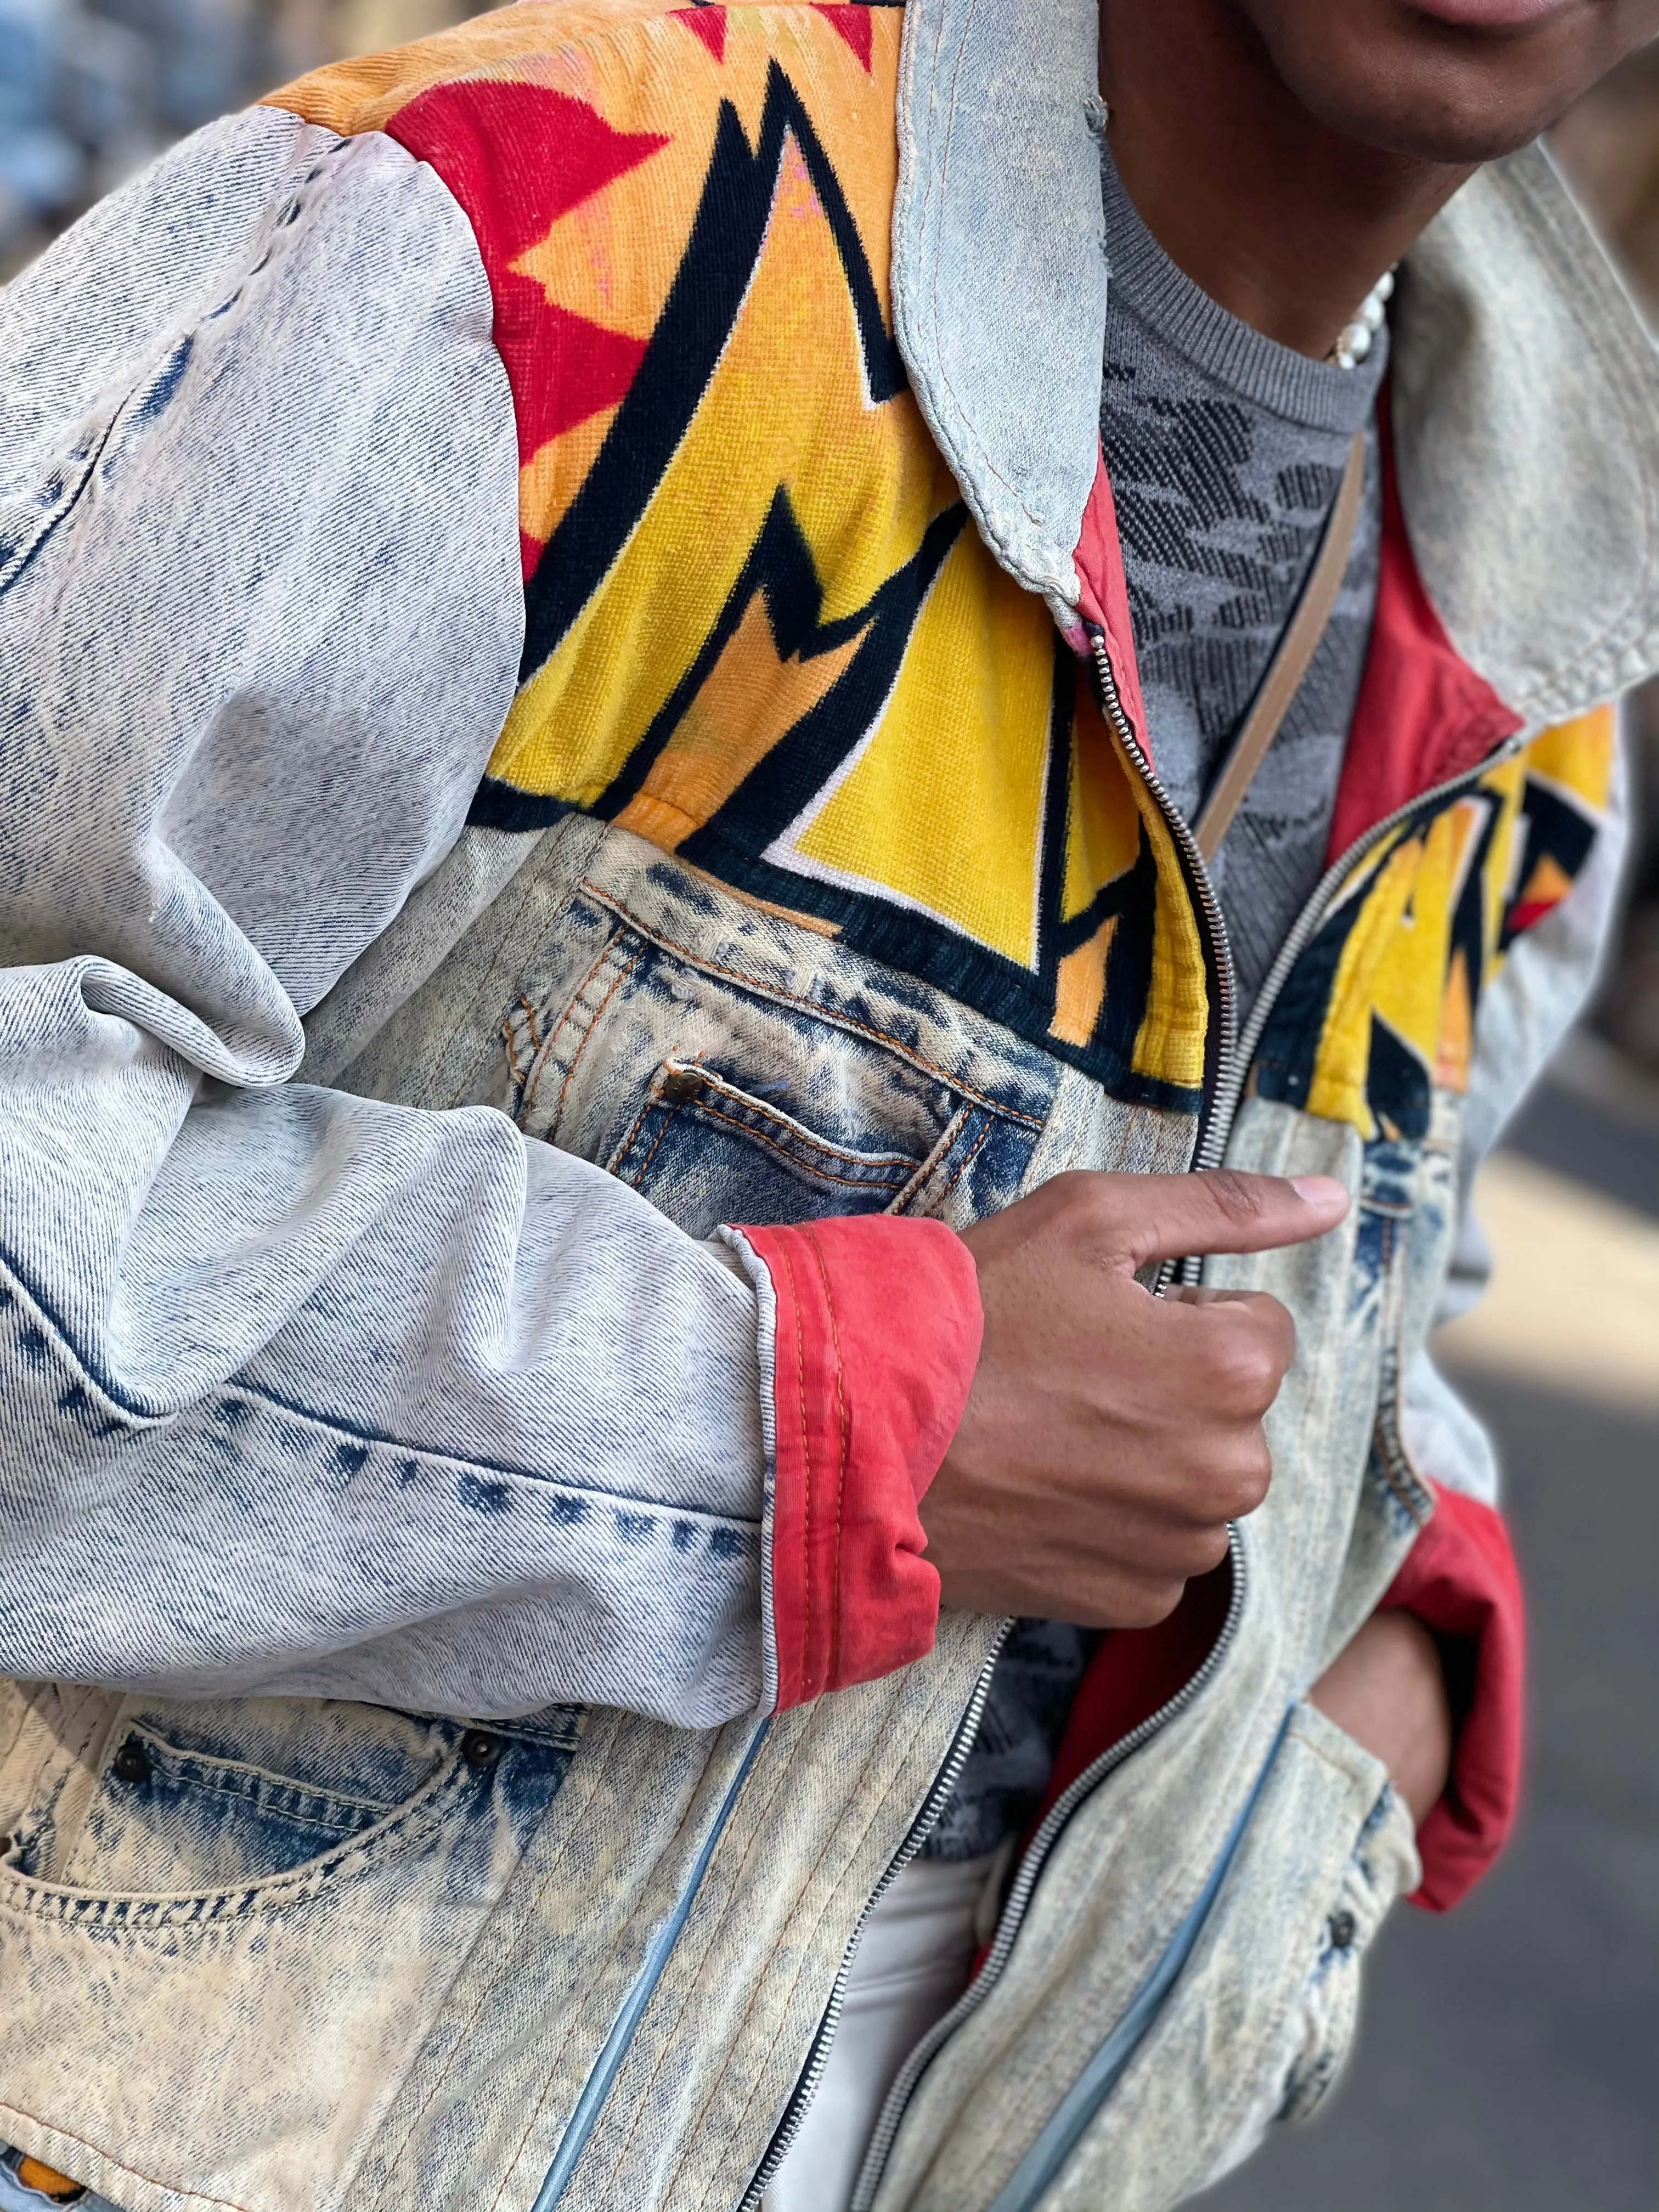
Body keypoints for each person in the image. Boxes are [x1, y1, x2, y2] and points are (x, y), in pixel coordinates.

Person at [0, 0, 1653, 2207]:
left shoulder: (1545, 609)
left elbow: (1389, 1275)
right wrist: (800, 1429)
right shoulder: (541, 233)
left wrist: (1389, 1630)